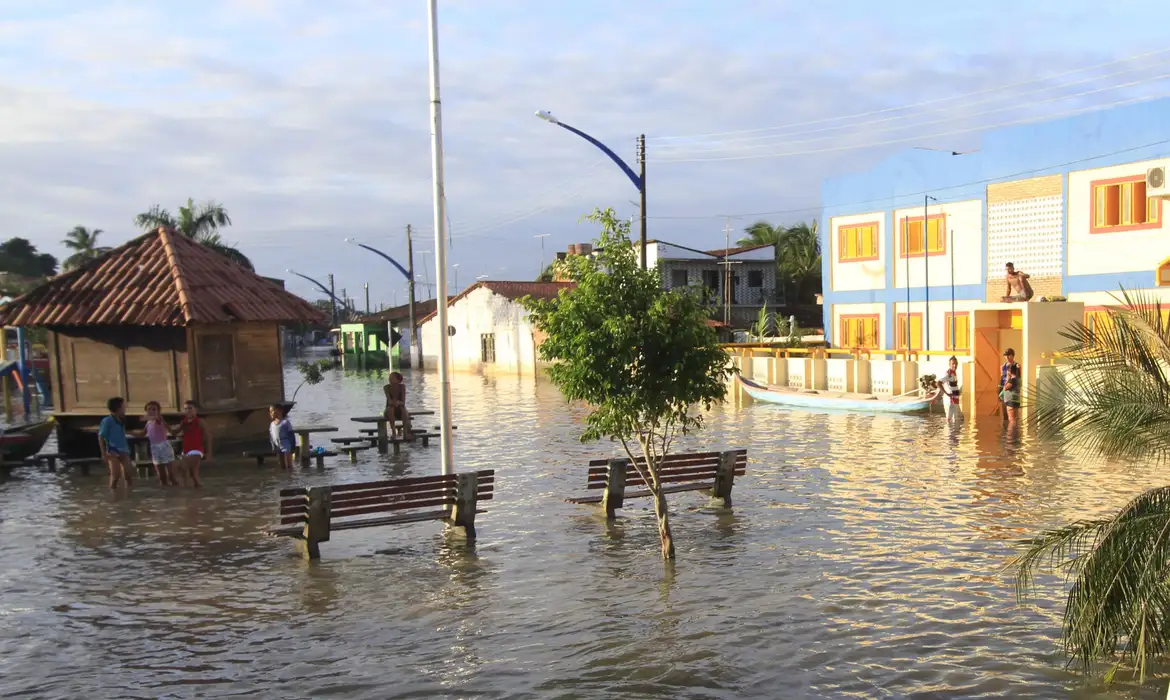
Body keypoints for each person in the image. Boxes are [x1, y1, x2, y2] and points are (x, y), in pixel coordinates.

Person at [98, 396, 134, 490]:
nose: (125, 408)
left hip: (124, 449)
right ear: (118, 408)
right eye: (123, 406)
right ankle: (113, 494)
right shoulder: (107, 421)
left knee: (128, 474)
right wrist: (104, 454)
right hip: (113, 451)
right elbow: (101, 436)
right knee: (115, 476)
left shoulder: (122, 419)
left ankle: (129, 495)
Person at [176, 400, 211, 487]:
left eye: (190, 408)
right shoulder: (183, 422)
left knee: (182, 466)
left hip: (196, 450)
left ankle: (186, 491)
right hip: (186, 450)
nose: (188, 410)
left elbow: (208, 437)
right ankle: (196, 493)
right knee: (193, 476)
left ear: (196, 410)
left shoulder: (200, 421)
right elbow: (175, 432)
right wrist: (164, 425)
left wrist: (209, 453)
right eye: (186, 409)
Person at [143, 400, 177, 486]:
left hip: (164, 447)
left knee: (171, 475)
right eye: (149, 409)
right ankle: (166, 495)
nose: (151, 411)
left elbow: (158, 419)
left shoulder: (159, 419)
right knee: (161, 476)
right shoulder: (148, 423)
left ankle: (178, 492)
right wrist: (128, 433)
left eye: (154, 409)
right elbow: (142, 433)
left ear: (158, 411)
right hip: (154, 448)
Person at [927, 356, 963, 422]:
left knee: (956, 420)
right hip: (950, 400)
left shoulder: (954, 373)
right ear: (949, 365)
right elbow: (938, 383)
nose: (955, 365)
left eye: (956, 364)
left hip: (954, 400)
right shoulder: (948, 374)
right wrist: (946, 393)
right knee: (951, 420)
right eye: (953, 364)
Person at [383, 371, 414, 440]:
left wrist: (397, 402)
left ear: (398, 380)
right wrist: (396, 402)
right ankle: (394, 432)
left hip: (400, 409)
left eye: (392, 377)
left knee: (403, 409)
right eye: (389, 377)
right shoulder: (386, 388)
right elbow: (390, 401)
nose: (390, 379)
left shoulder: (402, 387)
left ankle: (405, 433)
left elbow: (403, 402)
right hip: (389, 410)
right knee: (391, 408)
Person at [269, 404, 296, 470]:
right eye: (270, 411)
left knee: (289, 465)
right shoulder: (272, 424)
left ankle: (291, 477)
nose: (271, 413)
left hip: (286, 446)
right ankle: (284, 478)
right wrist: (273, 446)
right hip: (278, 447)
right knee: (282, 466)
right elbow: (271, 437)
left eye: (273, 411)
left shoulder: (285, 422)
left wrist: (292, 447)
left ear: (280, 411)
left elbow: (291, 435)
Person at [999, 348, 1020, 423]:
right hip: (1005, 390)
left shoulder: (1017, 366)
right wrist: (1000, 390)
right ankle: (1005, 430)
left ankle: (1014, 429)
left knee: (1014, 414)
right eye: (1006, 356)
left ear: (1013, 356)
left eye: (1009, 355)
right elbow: (1002, 379)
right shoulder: (1003, 366)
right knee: (1005, 414)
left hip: (1013, 390)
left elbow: (1017, 378)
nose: (1007, 357)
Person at [999, 363, 1021, 427]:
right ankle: (1015, 434)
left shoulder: (1012, 380)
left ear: (1010, 371)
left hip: (1010, 401)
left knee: (1011, 419)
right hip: (1016, 401)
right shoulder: (1018, 379)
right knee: (1015, 419)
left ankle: (1011, 434)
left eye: (1007, 371)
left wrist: (1008, 378)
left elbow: (1005, 388)